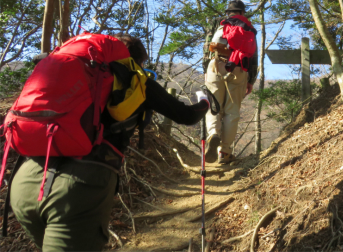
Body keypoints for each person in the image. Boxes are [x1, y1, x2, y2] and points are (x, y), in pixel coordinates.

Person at [9, 34, 209, 251]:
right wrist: (204, 101)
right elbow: (187, 116)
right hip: (79, 187)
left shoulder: (76, 74)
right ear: (137, 62)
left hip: (25, 180)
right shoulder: (135, 81)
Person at [202, 0, 258, 164]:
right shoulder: (249, 28)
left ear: (228, 12)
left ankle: (213, 133)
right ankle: (224, 152)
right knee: (231, 112)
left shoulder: (217, 23)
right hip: (238, 69)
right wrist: (251, 80)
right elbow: (253, 56)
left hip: (216, 65)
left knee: (213, 105)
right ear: (243, 12)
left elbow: (207, 47)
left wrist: (206, 70)